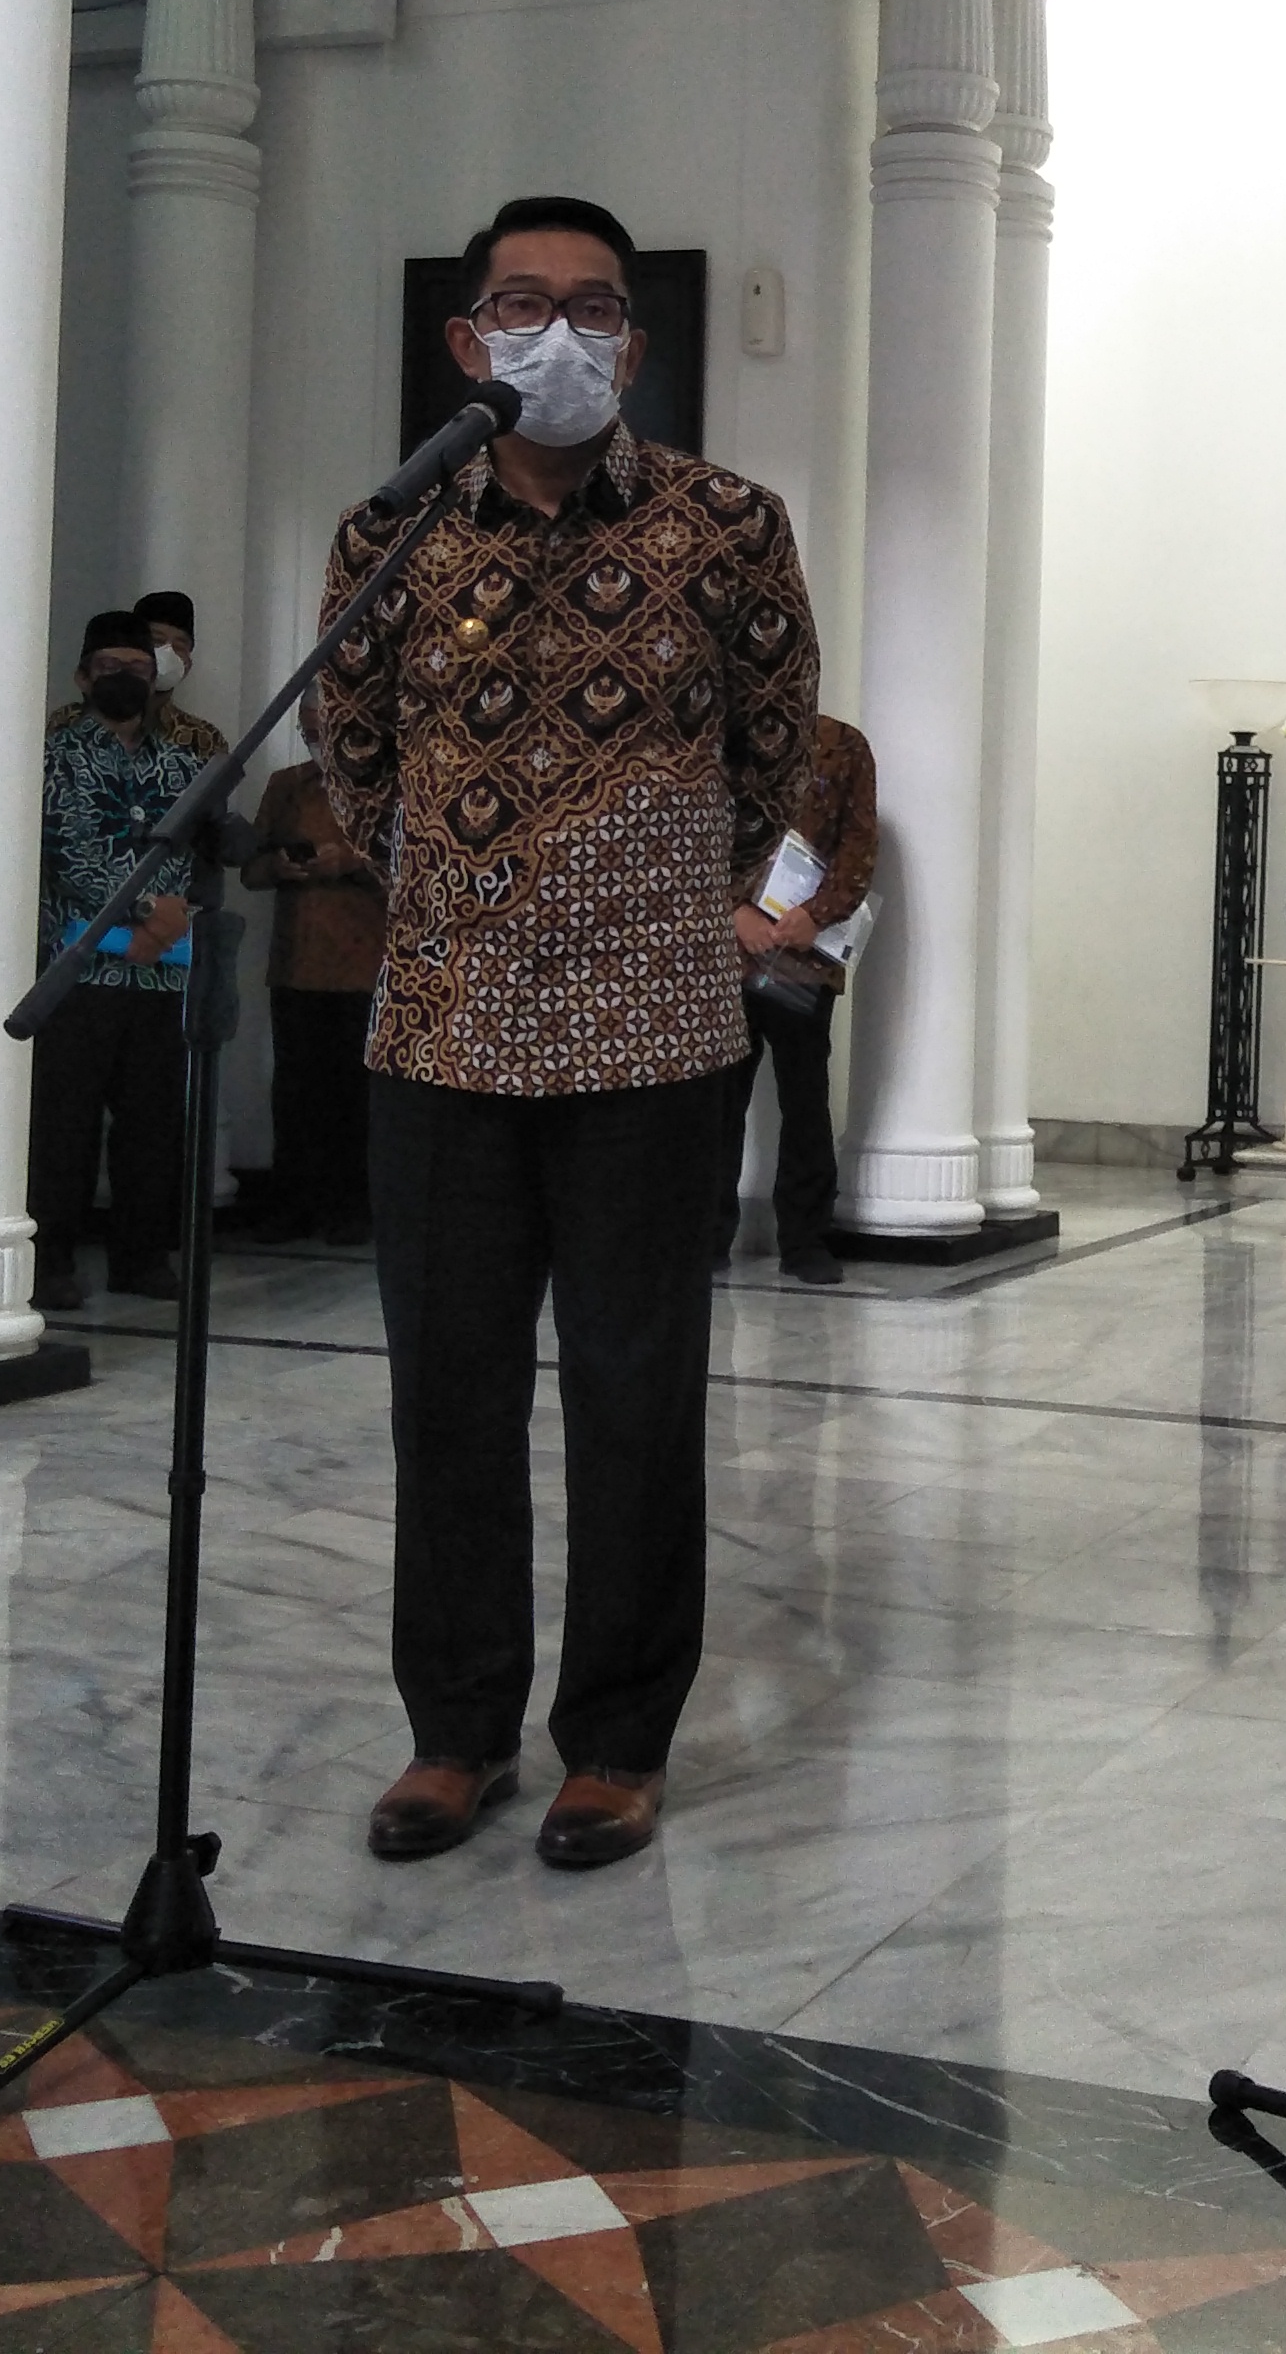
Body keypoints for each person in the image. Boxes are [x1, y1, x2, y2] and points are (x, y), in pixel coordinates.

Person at [315, 192, 818, 1873]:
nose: (560, 333)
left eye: (594, 308)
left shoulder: (727, 526)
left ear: (634, 344)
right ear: (469, 340)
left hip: (654, 1037)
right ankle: (454, 1729)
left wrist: (651, 899)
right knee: (447, 1398)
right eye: (524, 305)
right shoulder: (388, 530)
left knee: (634, 1396)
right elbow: (353, 757)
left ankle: (616, 1740)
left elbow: (772, 749)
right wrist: (467, 902)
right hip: (442, 1030)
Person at [28, 609, 209, 1314]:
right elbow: (65, 849)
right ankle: (52, 1262)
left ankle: (142, 1258)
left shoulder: (185, 766)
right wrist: (142, 912)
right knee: (64, 1125)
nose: (125, 679)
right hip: (79, 969)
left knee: (154, 1123)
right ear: (82, 677)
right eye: (110, 668)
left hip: (161, 970)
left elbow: (194, 854)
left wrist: (165, 918)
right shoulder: (54, 756)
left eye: (137, 669)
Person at [713, 711, 877, 1284]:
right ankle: (706, 1236)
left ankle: (806, 1239)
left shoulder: (841, 744)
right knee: (715, 1099)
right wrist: (734, 911)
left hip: (803, 959)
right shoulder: (715, 736)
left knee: (804, 1096)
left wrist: (817, 914)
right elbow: (686, 839)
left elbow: (859, 845)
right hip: (724, 954)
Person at [243, 758, 385, 1243]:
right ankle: (292, 1205)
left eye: (323, 728)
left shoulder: (387, 782)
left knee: (357, 1096)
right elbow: (250, 870)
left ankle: (353, 1209)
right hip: (297, 963)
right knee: (295, 1093)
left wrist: (352, 862)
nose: (318, 740)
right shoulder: (287, 785)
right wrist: (278, 866)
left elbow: (420, 864)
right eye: (307, 730)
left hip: (365, 966)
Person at [47, 585, 228, 762]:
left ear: (188, 664)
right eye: (157, 640)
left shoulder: (203, 737)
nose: (168, 652)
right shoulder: (68, 721)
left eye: (180, 647)